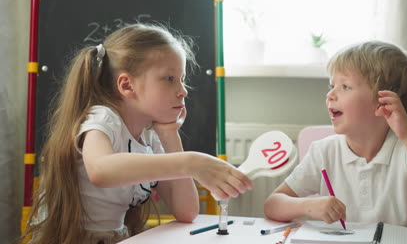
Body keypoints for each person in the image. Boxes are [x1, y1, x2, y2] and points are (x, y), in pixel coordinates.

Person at [22, 23, 253, 244]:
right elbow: (101, 170)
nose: (183, 91)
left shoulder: (150, 137)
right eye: (169, 79)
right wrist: (191, 162)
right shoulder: (102, 118)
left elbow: (186, 212)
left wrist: (170, 135)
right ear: (127, 85)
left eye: (182, 80)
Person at [264, 41, 407, 227]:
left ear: (382, 102)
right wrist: (307, 207)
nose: (330, 94)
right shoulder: (324, 151)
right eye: (332, 86)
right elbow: (272, 205)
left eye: (345, 86)